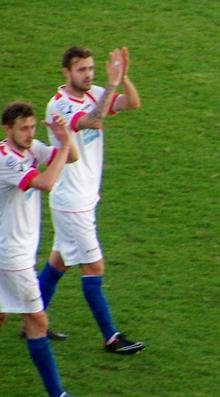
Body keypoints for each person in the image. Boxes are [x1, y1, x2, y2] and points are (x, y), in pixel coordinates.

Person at [37, 46, 145, 354]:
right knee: (94, 267)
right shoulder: (59, 106)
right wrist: (110, 85)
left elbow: (133, 103)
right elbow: (94, 122)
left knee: (59, 261)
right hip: (71, 201)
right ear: (66, 72)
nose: (88, 75)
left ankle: (32, 321)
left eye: (91, 69)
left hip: (82, 197)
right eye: (82, 69)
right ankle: (110, 337)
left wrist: (123, 78)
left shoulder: (92, 93)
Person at [1, 101, 78, 396]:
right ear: (8, 129)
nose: (30, 133)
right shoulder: (7, 160)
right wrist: (63, 144)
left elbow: (72, 158)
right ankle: (57, 394)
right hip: (12, 256)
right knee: (37, 321)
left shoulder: (29, 148)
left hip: (11, 250)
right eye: (24, 129)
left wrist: (63, 140)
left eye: (33, 127)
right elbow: (46, 182)